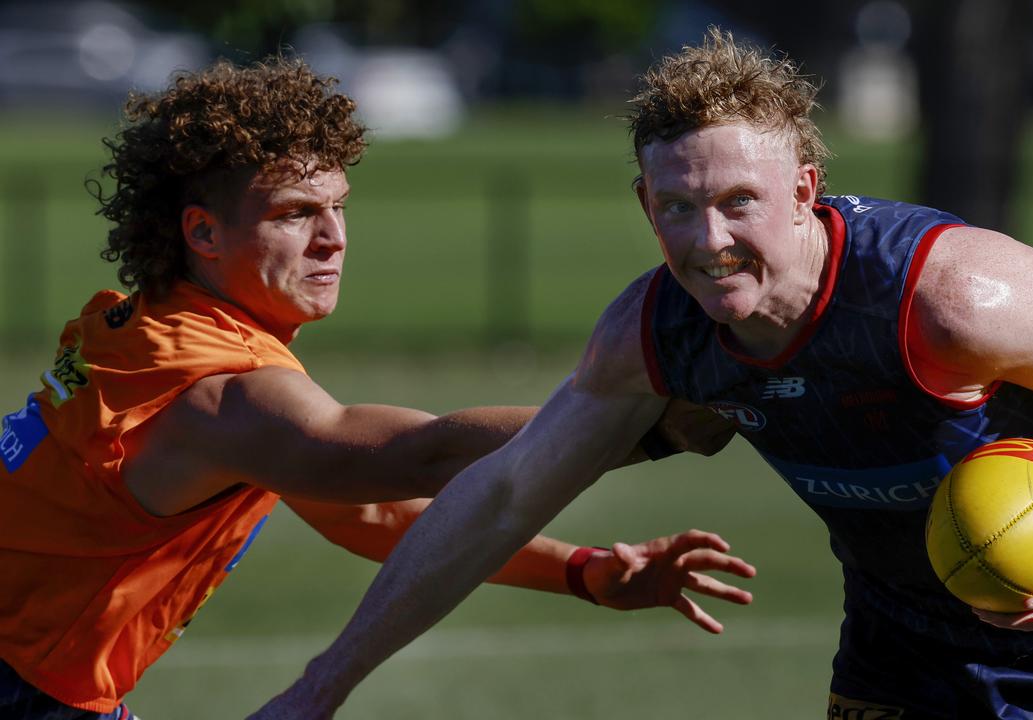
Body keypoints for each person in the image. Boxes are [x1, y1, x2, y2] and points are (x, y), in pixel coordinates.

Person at [253, 28, 1033, 719]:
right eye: (677, 207)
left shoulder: (946, 298)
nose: (708, 242)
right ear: (644, 203)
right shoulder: (656, 335)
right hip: (900, 647)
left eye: (738, 202)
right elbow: (503, 496)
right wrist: (318, 690)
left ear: (804, 189)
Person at [0, 56, 758, 720]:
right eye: (296, 214)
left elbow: (367, 509)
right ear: (202, 233)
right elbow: (417, 458)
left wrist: (581, 571)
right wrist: (653, 416)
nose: (333, 239)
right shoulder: (221, 395)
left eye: (338, 208)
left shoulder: (150, 329)